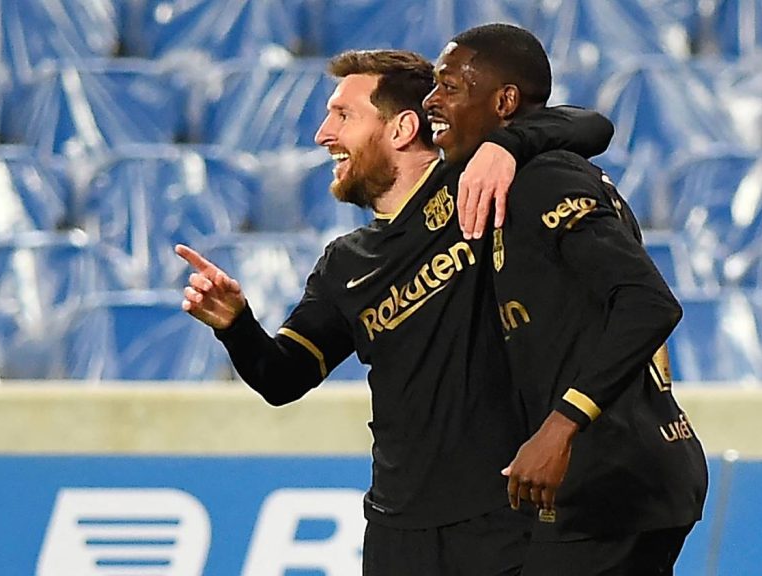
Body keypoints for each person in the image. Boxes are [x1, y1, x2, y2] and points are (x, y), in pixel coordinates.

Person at [176, 49, 613, 575]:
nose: (323, 134)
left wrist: (505, 146)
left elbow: (591, 126)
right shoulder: (344, 264)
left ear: (403, 127)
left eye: (343, 115)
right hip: (396, 533)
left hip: (503, 521)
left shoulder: (478, 188)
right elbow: (282, 377)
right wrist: (236, 325)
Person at [423, 24, 709, 576]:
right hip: (618, 473)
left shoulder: (544, 179)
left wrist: (560, 427)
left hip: (610, 476)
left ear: (504, 101)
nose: (433, 101)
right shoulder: (527, 173)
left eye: (450, 87)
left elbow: (649, 302)